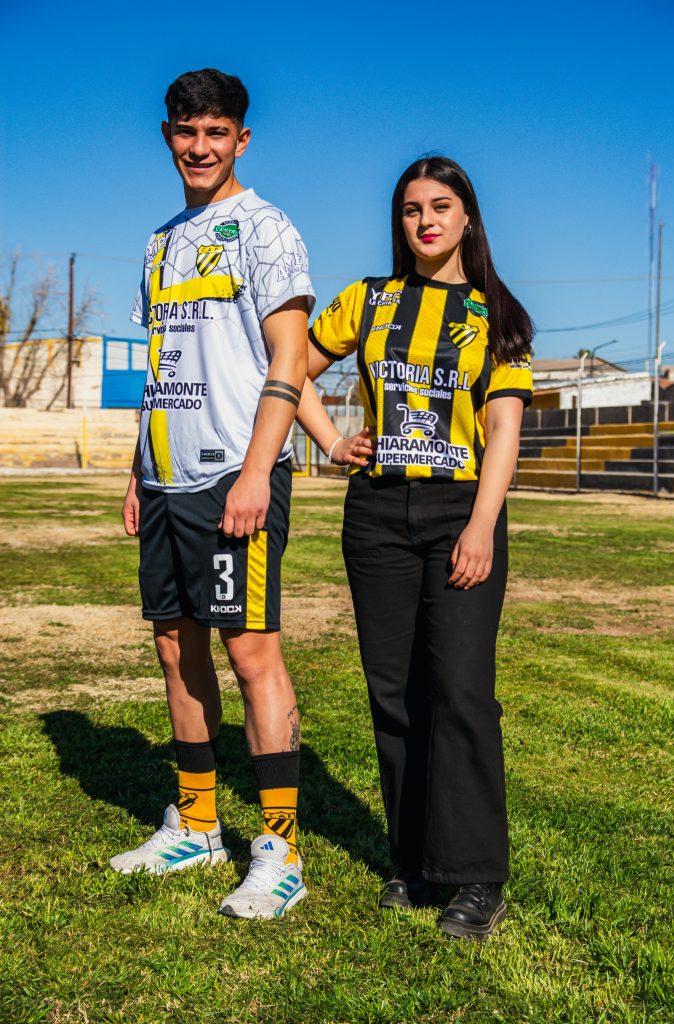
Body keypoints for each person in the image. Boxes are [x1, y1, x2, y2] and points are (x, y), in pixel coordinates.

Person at [295, 156, 533, 939]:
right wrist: (331, 439)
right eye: (409, 209)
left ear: (467, 215)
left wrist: (478, 525)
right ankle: (411, 861)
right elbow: (287, 368)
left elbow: (502, 428)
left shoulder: (497, 314)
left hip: (459, 509)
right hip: (375, 515)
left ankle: (473, 877)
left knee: (460, 691)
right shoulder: (367, 301)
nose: (424, 220)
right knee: (393, 693)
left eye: (440, 205)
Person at [110, 69, 316, 921]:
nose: (201, 147)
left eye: (217, 132)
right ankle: (197, 823)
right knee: (173, 644)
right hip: (164, 477)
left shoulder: (264, 230)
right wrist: (134, 466)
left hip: (236, 473)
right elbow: (164, 367)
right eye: (187, 132)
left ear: (241, 140)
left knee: (249, 651)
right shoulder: (161, 241)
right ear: (168, 136)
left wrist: (257, 473)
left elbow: (288, 360)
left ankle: (281, 849)